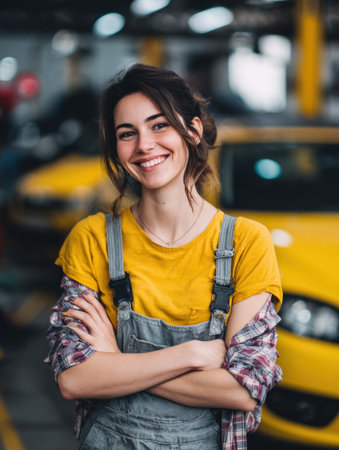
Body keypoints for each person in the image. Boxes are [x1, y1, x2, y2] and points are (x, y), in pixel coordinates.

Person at [45, 63, 283, 449]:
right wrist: (193, 354)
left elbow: (243, 390)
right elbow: (73, 379)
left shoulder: (246, 242)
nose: (144, 145)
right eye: (127, 133)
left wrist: (116, 362)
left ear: (192, 131)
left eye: (159, 125)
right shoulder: (91, 240)